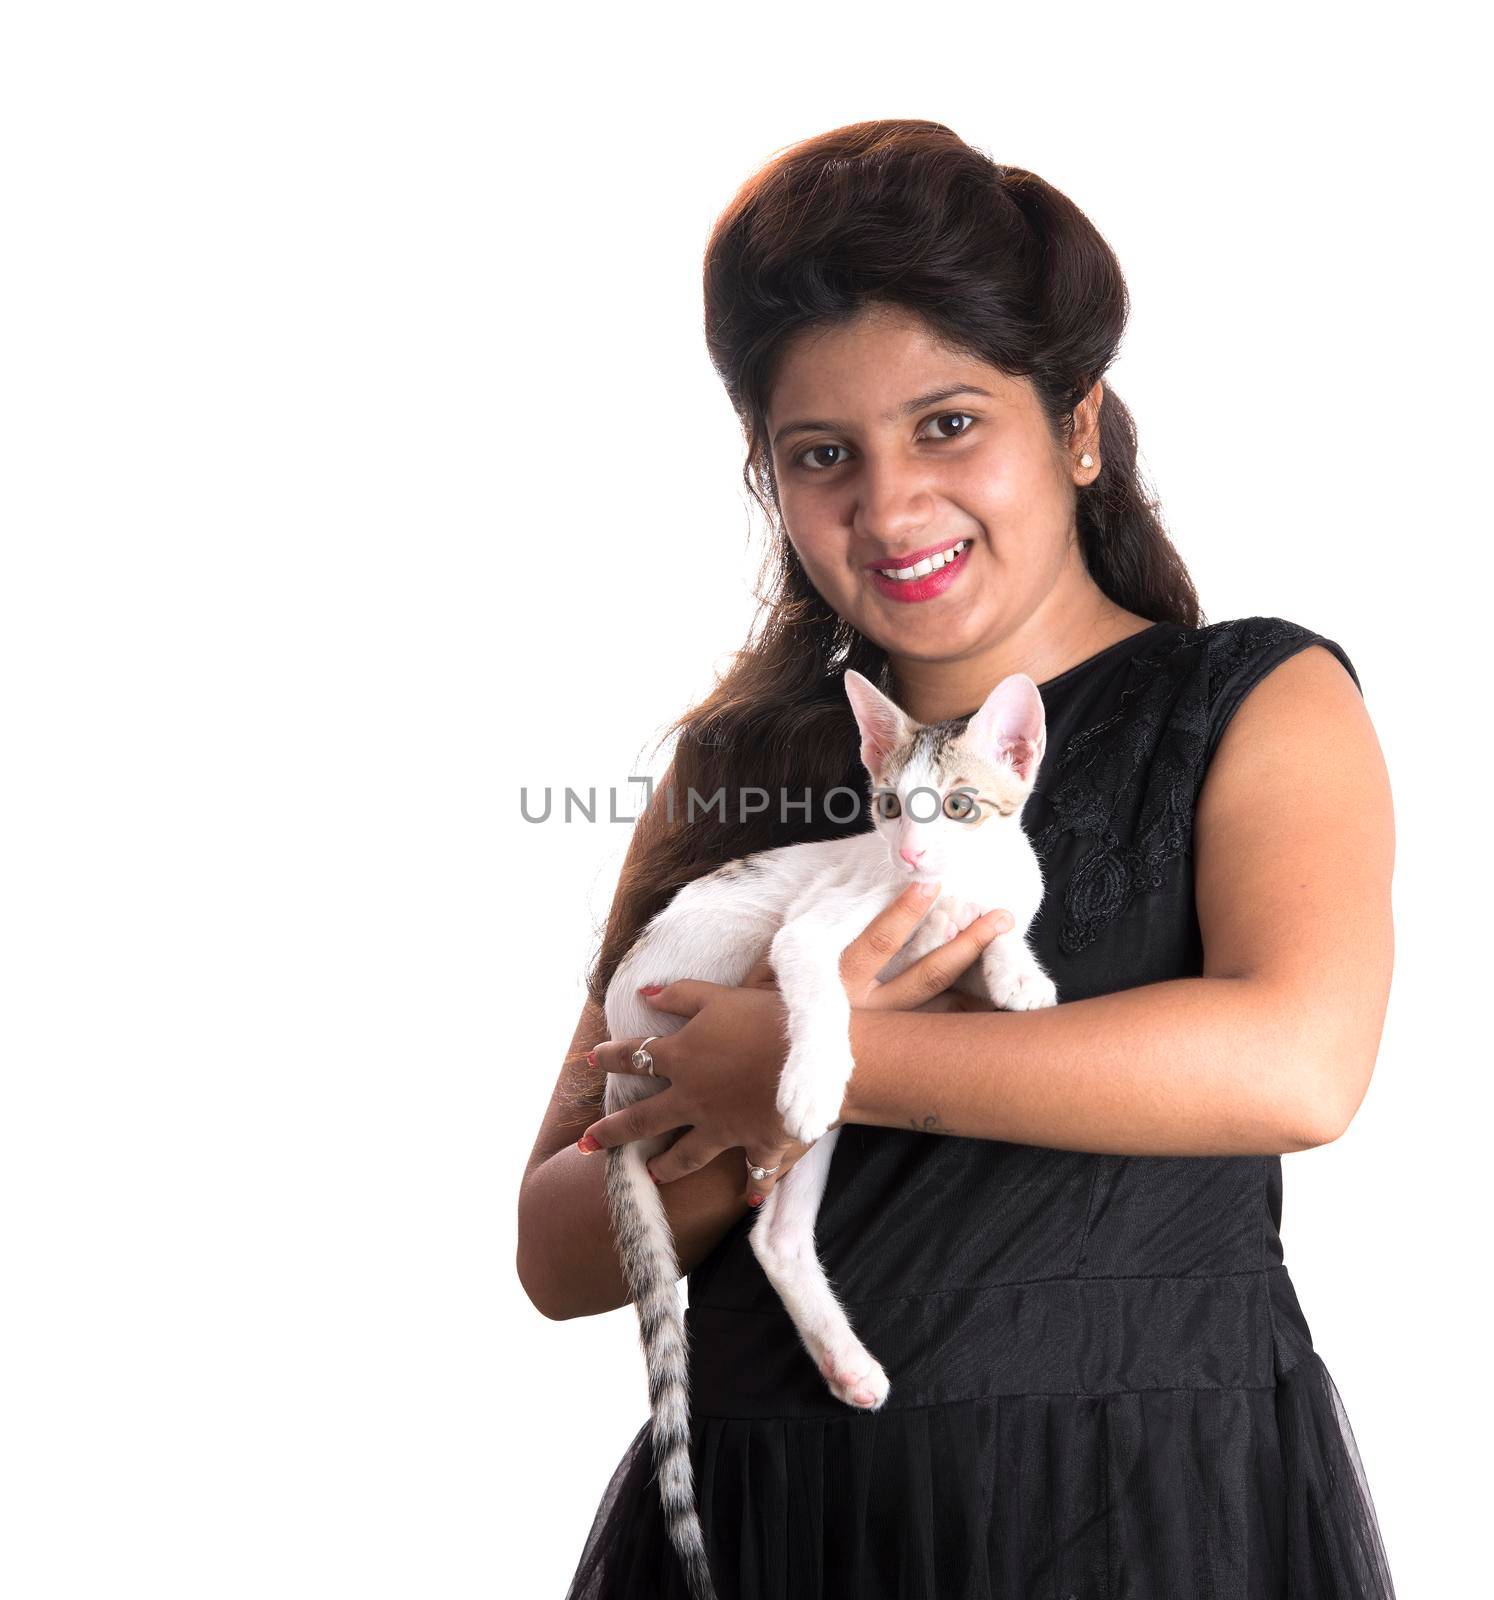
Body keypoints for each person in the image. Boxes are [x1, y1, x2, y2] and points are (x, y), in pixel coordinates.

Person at [517, 121, 1398, 1599]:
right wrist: (744, 1120)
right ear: (770, 486)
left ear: (1074, 424)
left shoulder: (1247, 701)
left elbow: (1296, 1063)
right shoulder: (740, 770)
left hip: (1137, 1512)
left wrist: (817, 1059)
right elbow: (559, 1249)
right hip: (772, 1522)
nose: (890, 504)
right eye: (820, 456)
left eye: (946, 424)